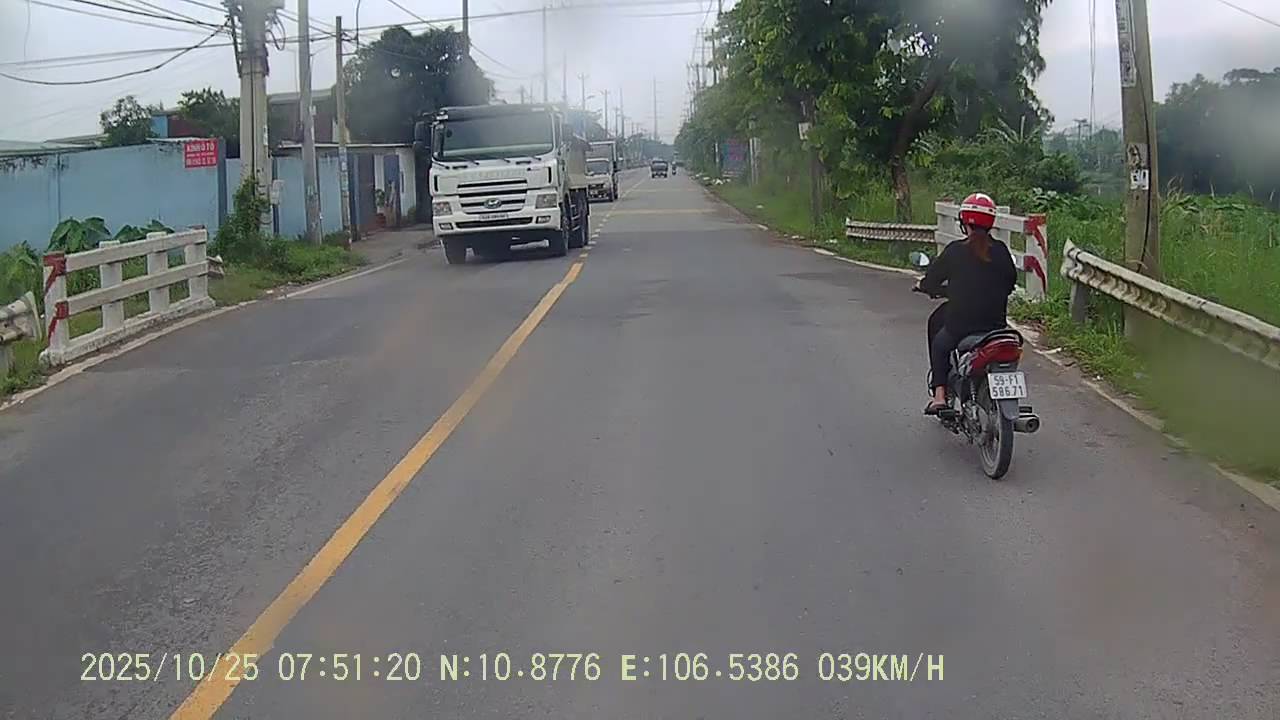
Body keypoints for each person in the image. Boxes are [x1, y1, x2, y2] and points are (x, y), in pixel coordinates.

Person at [916, 192, 1017, 415]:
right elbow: (1010, 283)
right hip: (995, 326)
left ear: (965, 222)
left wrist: (927, 287)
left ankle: (939, 396)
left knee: (940, 343)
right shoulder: (1001, 251)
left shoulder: (955, 250)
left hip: (961, 326)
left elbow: (931, 281)